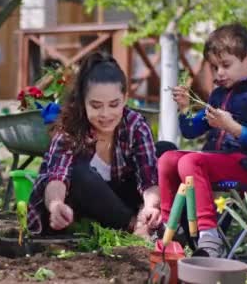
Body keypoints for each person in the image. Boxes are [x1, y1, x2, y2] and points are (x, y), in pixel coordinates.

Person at [160, 23, 247, 257]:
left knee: (190, 162)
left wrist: (232, 127)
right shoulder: (218, 95)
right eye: (215, 67)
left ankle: (209, 238)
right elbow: (191, 131)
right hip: (215, 163)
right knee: (167, 158)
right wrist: (185, 109)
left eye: (226, 65)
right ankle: (170, 228)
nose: (219, 74)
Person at [27, 52, 162, 238]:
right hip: (83, 207)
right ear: (83, 102)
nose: (106, 114)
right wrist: (56, 204)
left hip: (122, 199)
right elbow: (58, 177)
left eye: (114, 104)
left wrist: (149, 206)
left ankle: (147, 222)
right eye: (96, 106)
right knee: (77, 172)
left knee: (165, 151)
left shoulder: (135, 125)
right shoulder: (70, 129)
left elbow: (148, 178)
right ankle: (133, 227)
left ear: (124, 98)